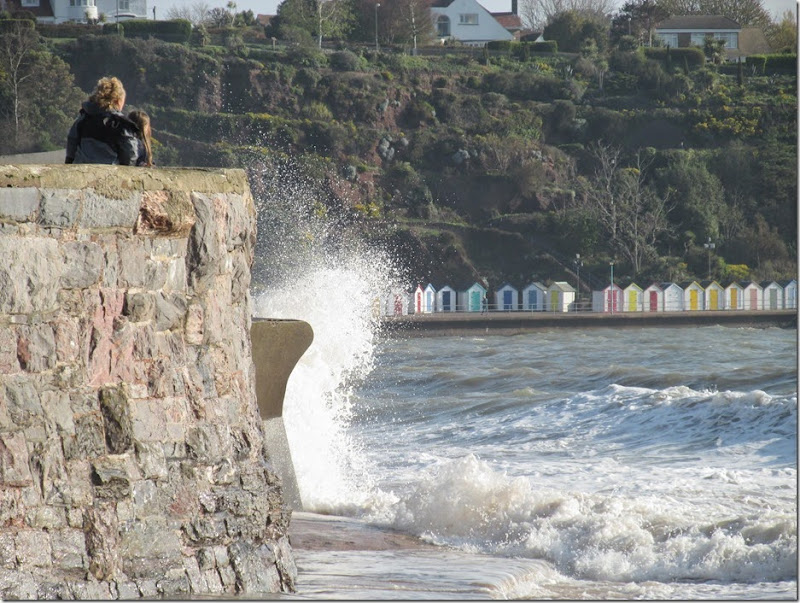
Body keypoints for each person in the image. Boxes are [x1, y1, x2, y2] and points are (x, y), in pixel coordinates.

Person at [65, 76, 139, 166]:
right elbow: (130, 154)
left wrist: (69, 163)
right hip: (110, 174)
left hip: (82, 170)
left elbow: (72, 143)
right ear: (117, 101)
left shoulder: (84, 118)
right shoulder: (120, 124)